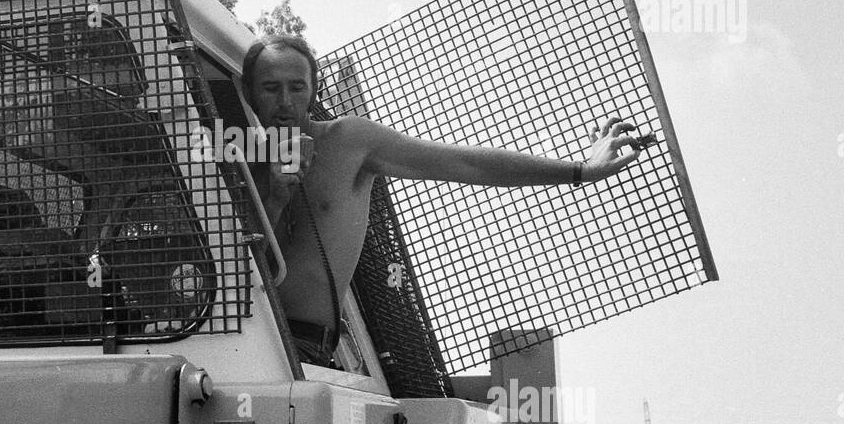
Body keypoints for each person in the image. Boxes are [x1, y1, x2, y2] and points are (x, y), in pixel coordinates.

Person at [240, 33, 646, 369]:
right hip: (250, 343)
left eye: (297, 87)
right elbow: (248, 273)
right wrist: (274, 198)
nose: (285, 102)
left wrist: (579, 170)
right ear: (251, 92)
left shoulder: (349, 141)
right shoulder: (236, 159)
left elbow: (465, 164)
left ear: (314, 90)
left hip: (308, 348)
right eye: (271, 89)